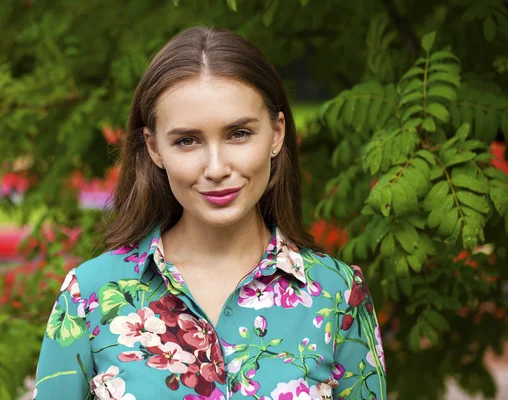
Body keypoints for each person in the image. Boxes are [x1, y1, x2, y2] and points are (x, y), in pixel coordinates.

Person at [34, 26, 386, 400]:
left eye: (238, 134)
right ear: (154, 148)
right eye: (187, 140)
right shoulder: (88, 295)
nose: (216, 168)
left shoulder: (337, 294)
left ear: (277, 133)